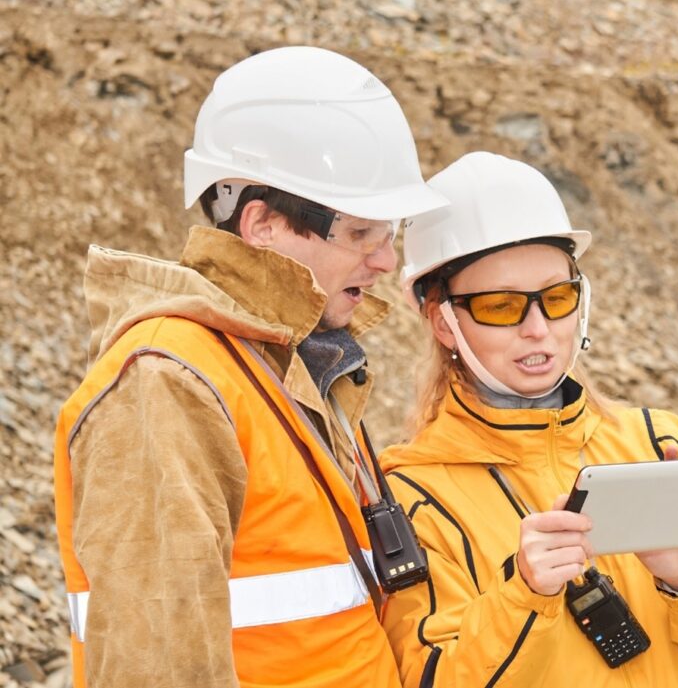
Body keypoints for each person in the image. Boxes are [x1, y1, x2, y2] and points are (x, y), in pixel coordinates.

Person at [52, 46, 449, 688]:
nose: (385, 261)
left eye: (390, 233)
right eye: (360, 234)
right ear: (263, 223)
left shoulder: (293, 365)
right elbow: (157, 666)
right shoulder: (167, 385)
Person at [379, 151, 678, 687]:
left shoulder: (661, 445)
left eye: (556, 297)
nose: (537, 328)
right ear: (443, 323)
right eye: (500, 306)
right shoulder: (412, 495)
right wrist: (524, 595)